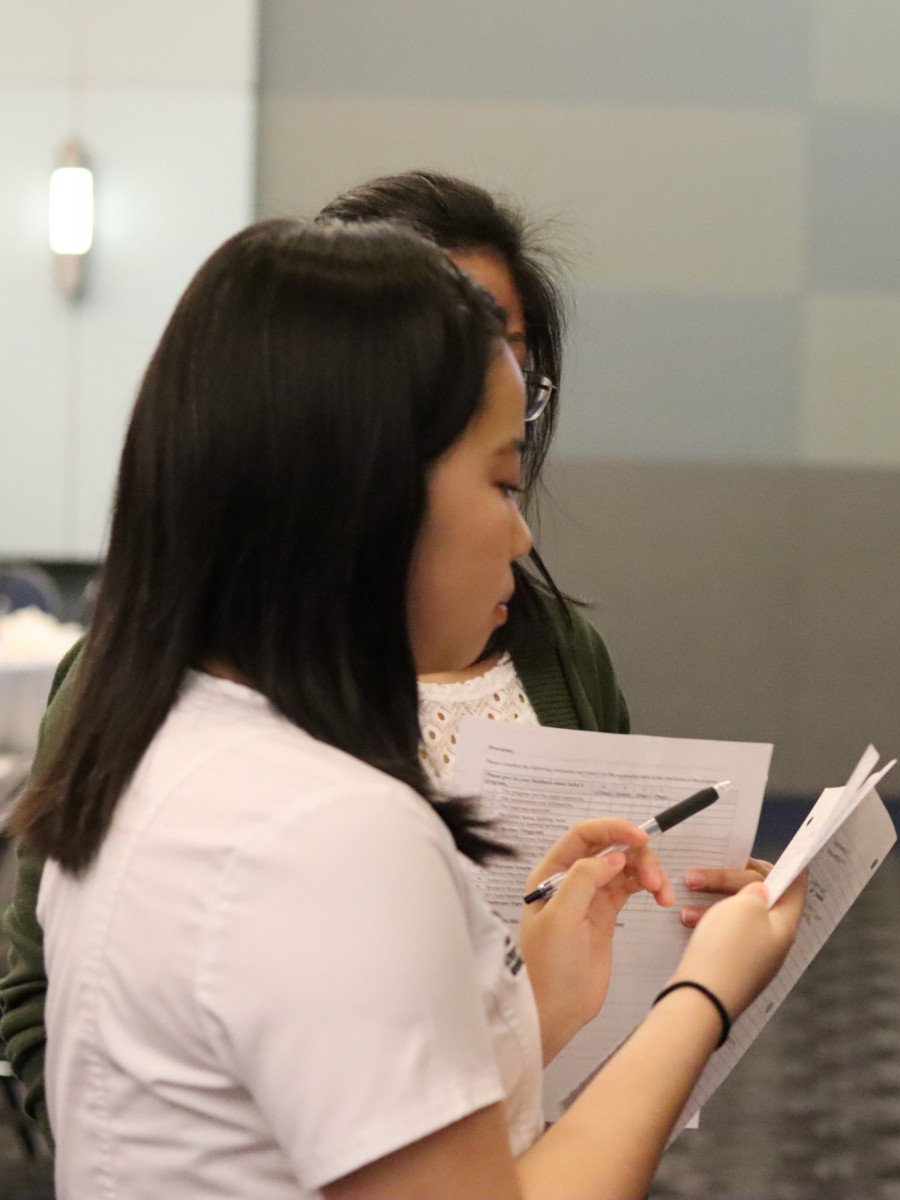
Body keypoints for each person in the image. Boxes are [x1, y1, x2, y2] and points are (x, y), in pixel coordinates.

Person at [6, 217, 803, 1198]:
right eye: (504, 481)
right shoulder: (329, 831)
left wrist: (528, 1000)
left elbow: (325, 1111)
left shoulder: (158, 741)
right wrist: (704, 994)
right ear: (369, 499)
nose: (519, 536)